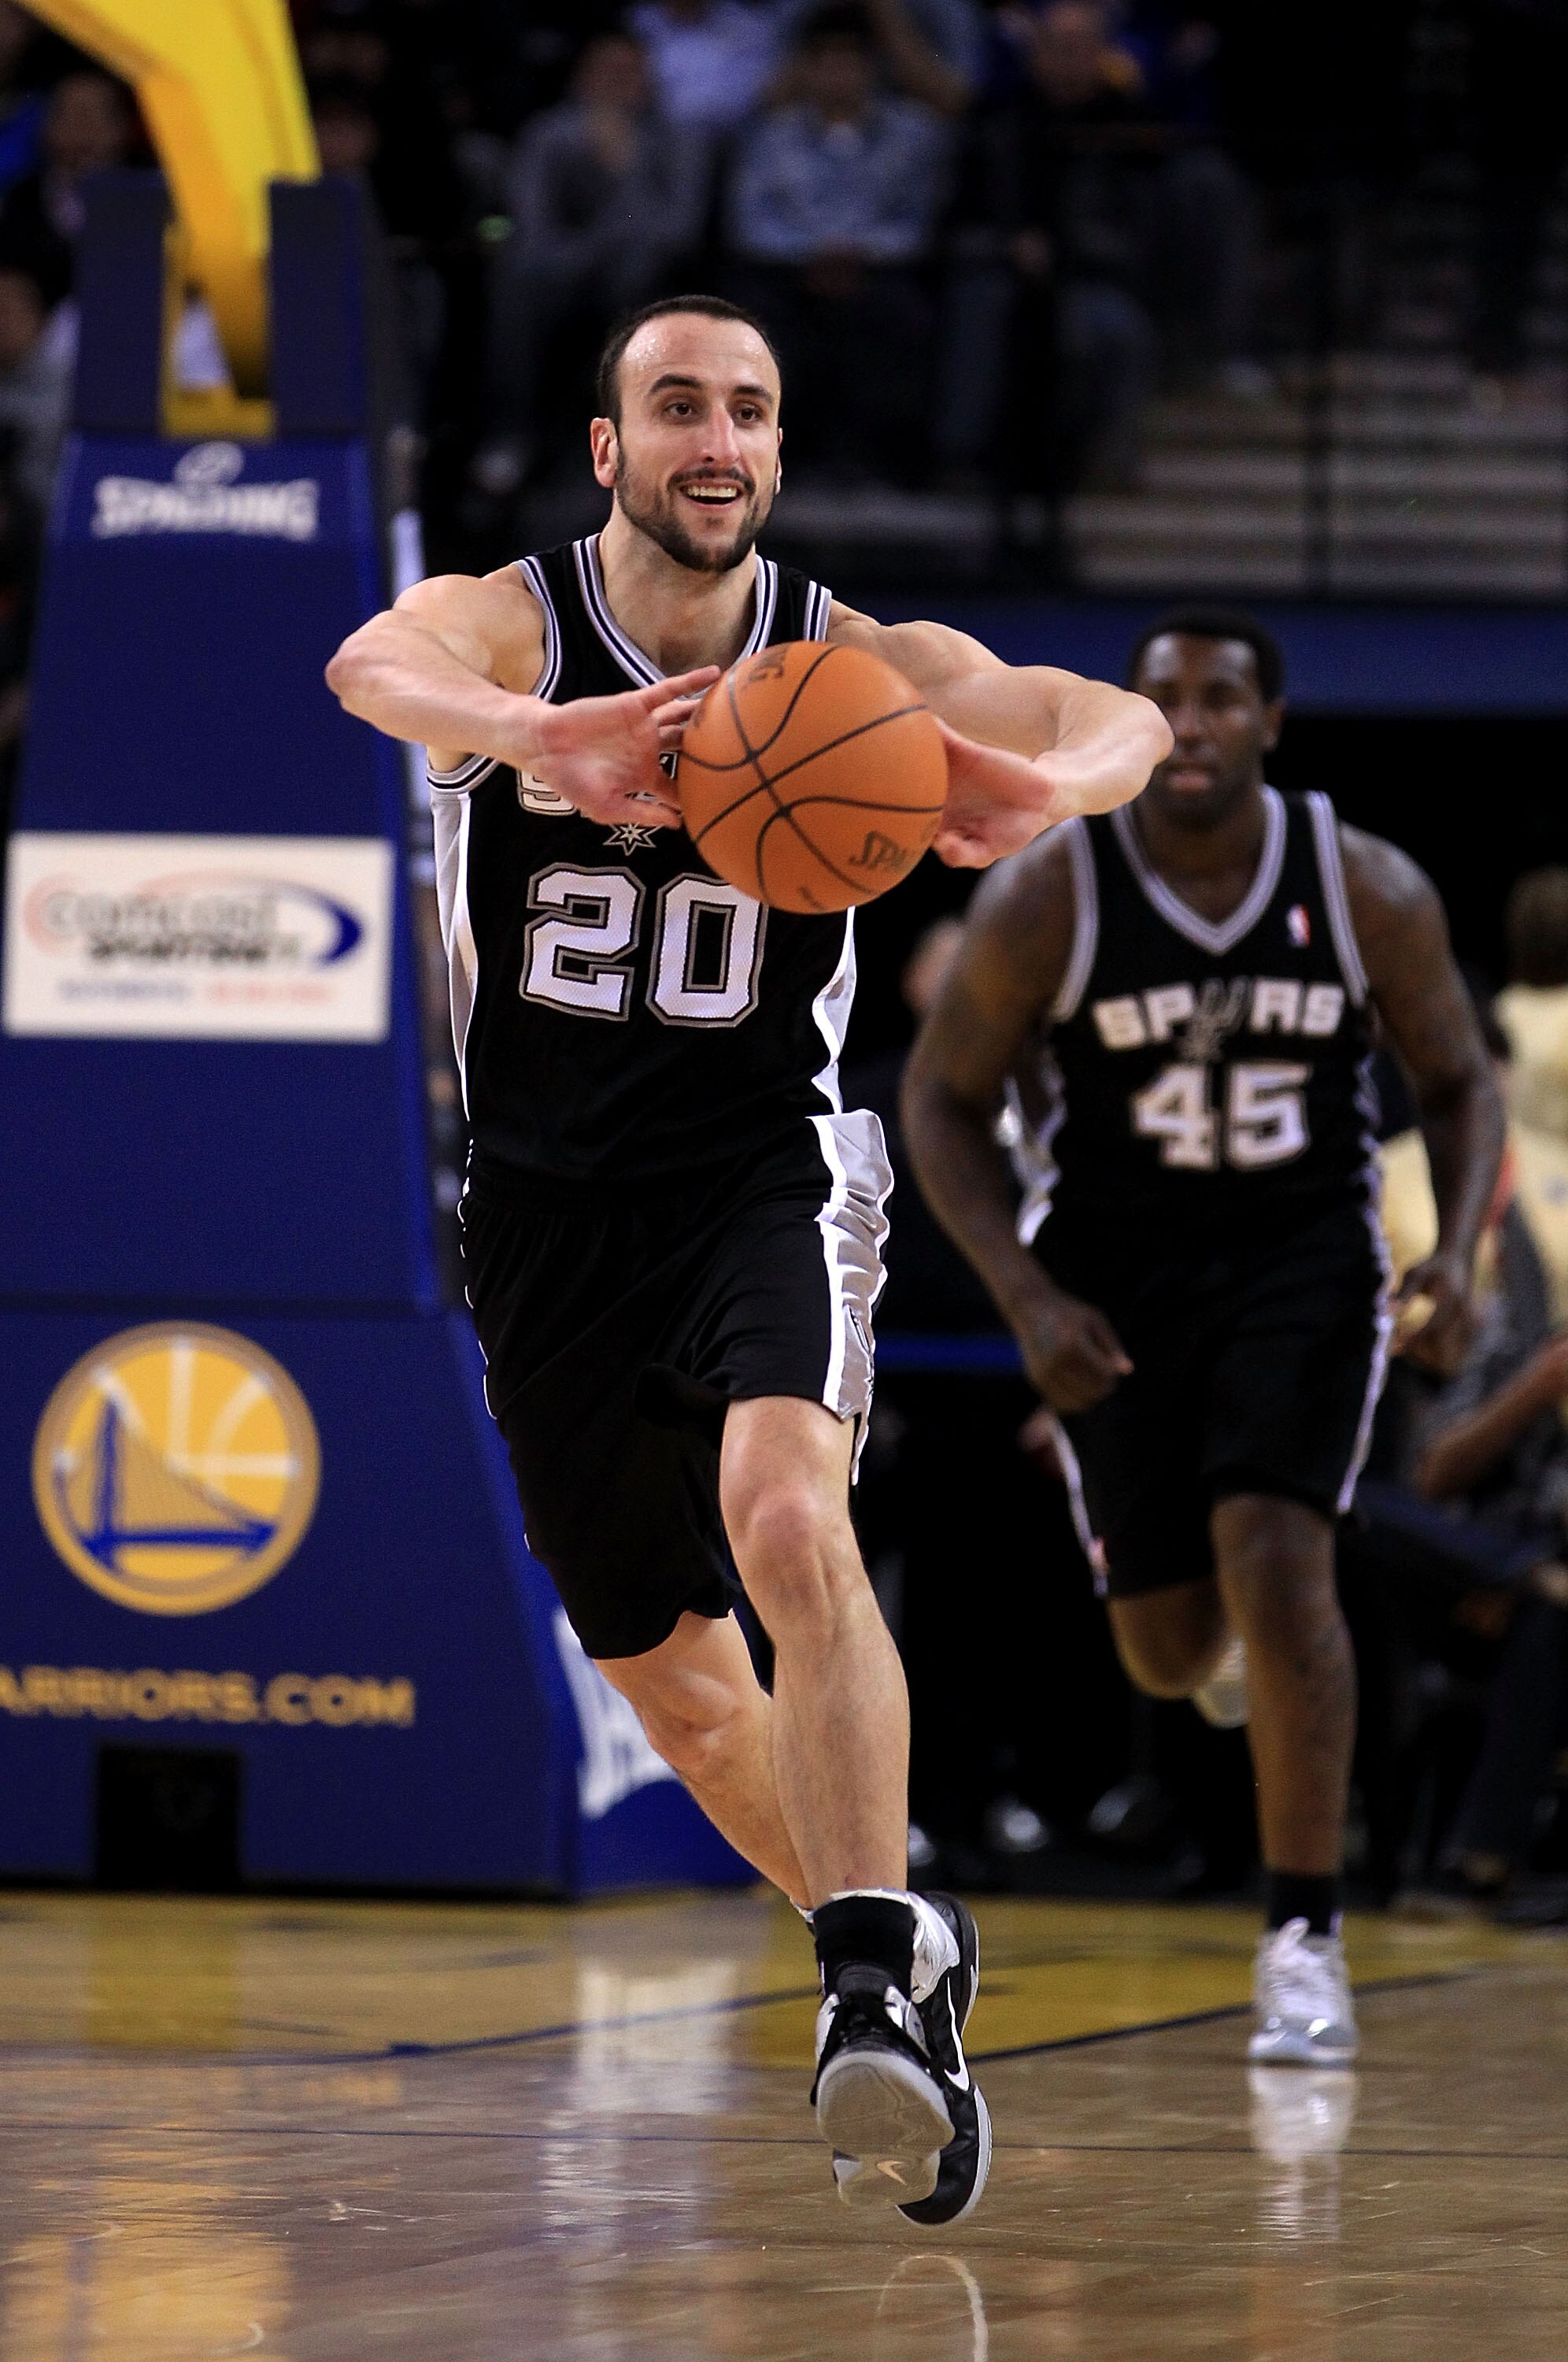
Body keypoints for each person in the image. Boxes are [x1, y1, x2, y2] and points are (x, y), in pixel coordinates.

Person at [325, 290, 1170, 2218]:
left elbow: (1106, 715)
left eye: (751, 413)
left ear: (777, 453)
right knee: (682, 1691)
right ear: (608, 446)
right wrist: (538, 737)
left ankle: (863, 1985)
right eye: (678, 406)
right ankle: (904, 1940)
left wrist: (1043, 791)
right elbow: (371, 661)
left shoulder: (851, 665)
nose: (717, 442)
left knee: (787, 1512)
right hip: (541, 1214)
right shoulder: (518, 629)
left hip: (763, 1169)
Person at [903, 603, 1504, 2066]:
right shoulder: (1052, 894)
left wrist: (1455, 1252)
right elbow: (940, 1100)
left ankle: (1303, 1935)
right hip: (1115, 1281)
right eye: (1164, 693)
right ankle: (1234, 1660)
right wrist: (1027, 1298)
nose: (1191, 719)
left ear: (1269, 723)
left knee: (1284, 1562)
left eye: (1223, 695)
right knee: (1169, 1654)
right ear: (1131, 719)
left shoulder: (1362, 884)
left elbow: (1457, 1080)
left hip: (1303, 1265)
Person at [723, 3, 951, 483]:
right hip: (788, 272)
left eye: (850, 63)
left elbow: (917, 220)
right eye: (826, 63)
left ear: (874, 68)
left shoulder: (915, 134)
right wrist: (813, 254)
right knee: (760, 321)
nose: (839, 76)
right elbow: (751, 220)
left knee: (899, 318)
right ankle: (781, 459)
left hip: (879, 272)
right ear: (806, 69)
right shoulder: (770, 135)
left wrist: (856, 253)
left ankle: (881, 463)